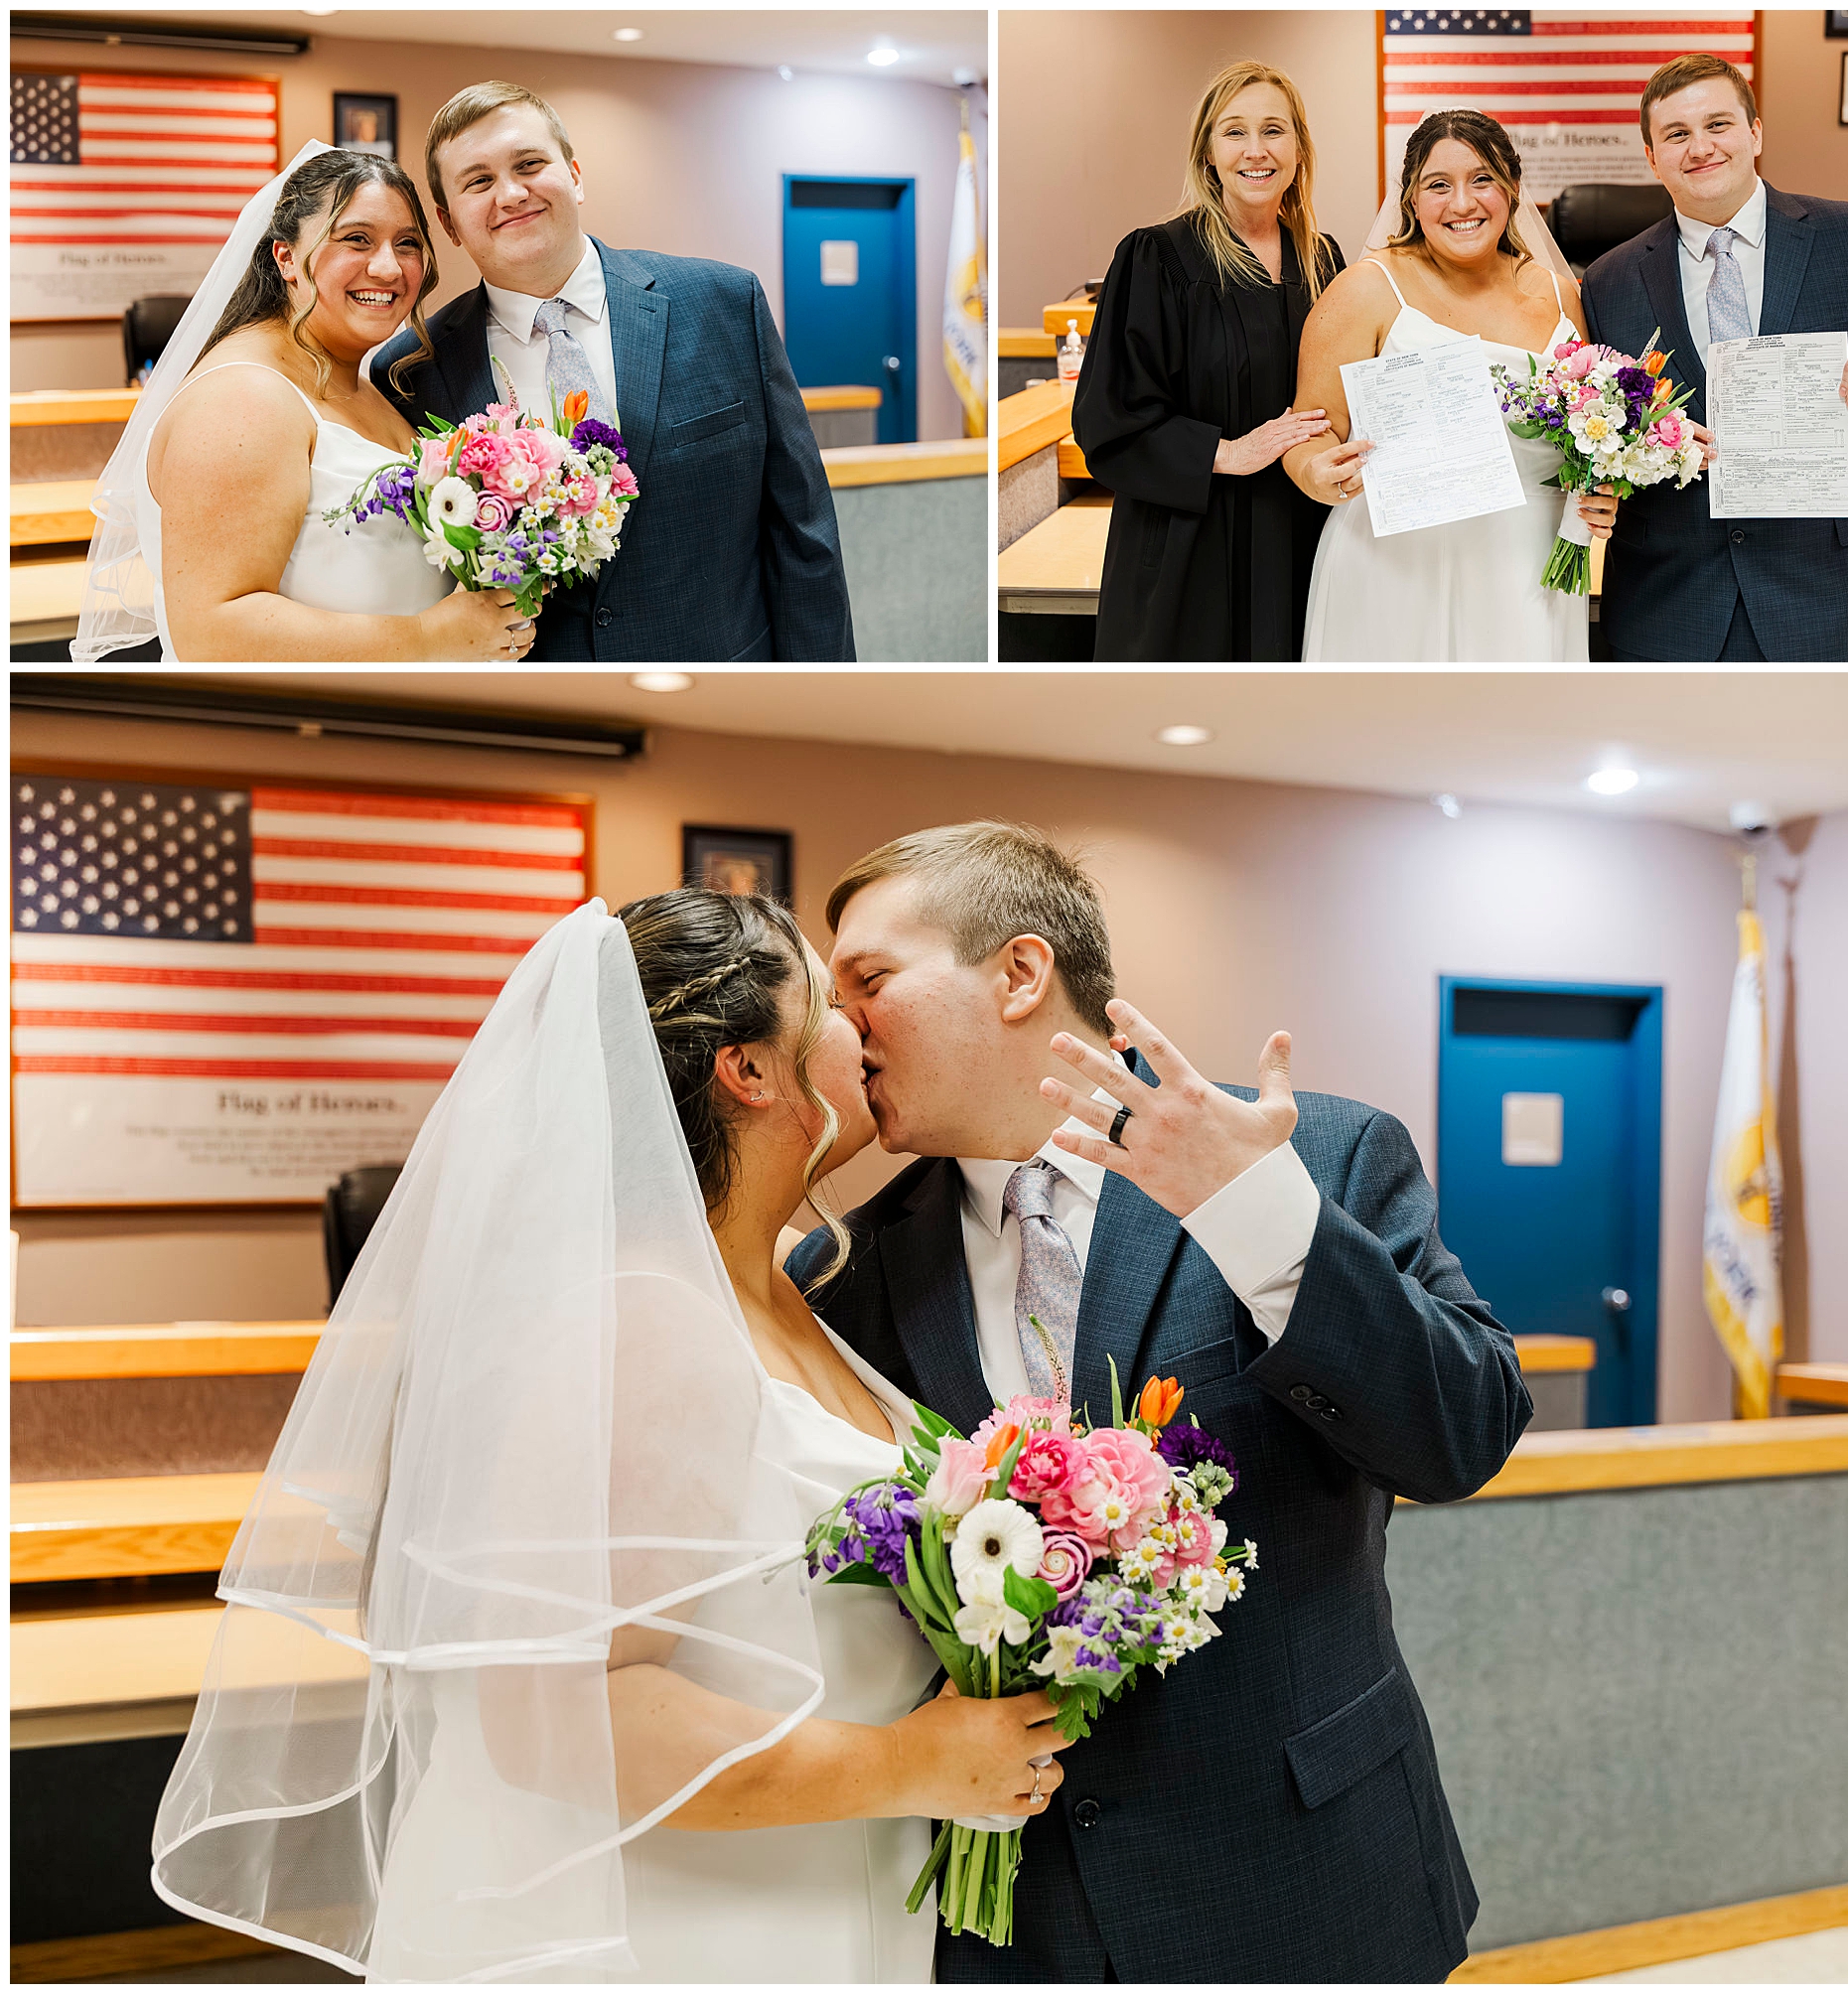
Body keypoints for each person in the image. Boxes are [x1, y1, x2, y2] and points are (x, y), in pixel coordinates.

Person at [151, 892, 1069, 1982]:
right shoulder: (647, 1317)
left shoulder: (783, 1292)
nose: (864, 1027)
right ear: (751, 1070)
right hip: (678, 1928)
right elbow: (553, 1712)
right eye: (831, 999)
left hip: (814, 1887)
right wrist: (901, 1765)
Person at [789, 822, 1532, 1982]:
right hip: (1013, 1919)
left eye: (869, 981)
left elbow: (1463, 1436)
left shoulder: (1315, 1157)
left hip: (1306, 1880)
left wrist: (1258, 1219)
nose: (841, 1027)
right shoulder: (848, 1276)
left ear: (1020, 974)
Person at [370, 81, 857, 663]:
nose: (511, 193)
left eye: (529, 164)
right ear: (449, 224)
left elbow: (803, 533)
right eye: (478, 181)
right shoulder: (410, 371)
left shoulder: (726, 304)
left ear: (574, 175)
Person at [71, 142, 533, 663]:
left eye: (407, 244)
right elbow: (212, 633)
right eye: (356, 239)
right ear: (285, 257)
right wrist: (430, 640)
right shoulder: (243, 397)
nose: (388, 268)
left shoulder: (365, 384)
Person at [1582, 54, 1848, 661]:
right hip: (1671, 600)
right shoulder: (1608, 279)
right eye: (1676, 134)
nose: (1700, 146)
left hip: (1827, 588)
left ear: (1755, 133)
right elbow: (1603, 422)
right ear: (1652, 156)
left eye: (1718, 125)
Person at [1287, 109, 1620, 662]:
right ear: (1411, 200)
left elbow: (1582, 438)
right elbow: (1309, 430)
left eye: (1482, 179)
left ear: (1512, 190)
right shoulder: (1367, 290)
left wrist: (1600, 493)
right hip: (1395, 564)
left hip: (1528, 566)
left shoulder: (1563, 296)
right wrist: (1316, 472)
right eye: (1437, 185)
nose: (1462, 203)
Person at [1069, 62, 1347, 660]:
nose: (1256, 150)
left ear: (1299, 149)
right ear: (1208, 152)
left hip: (1302, 531)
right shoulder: (1158, 259)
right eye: (1234, 132)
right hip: (1190, 548)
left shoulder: (1324, 262)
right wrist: (1229, 452)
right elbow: (1106, 422)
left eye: (1274, 130)